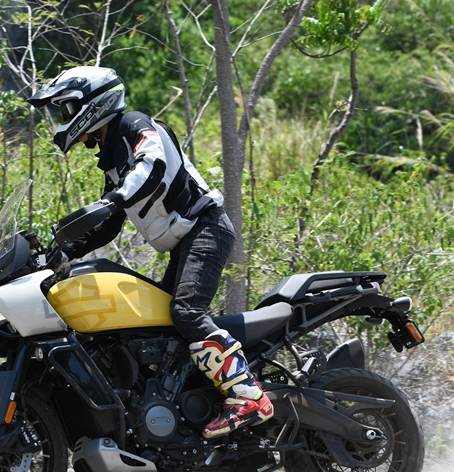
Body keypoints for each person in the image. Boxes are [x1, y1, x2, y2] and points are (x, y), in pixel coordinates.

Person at [27, 66, 273, 438]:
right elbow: (109, 224)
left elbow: (152, 164)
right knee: (160, 324)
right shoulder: (113, 158)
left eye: (67, 108)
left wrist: (116, 198)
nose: (65, 118)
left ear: (93, 103)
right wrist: (63, 250)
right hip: (187, 240)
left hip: (207, 228)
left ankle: (248, 395)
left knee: (186, 311)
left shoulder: (135, 125)